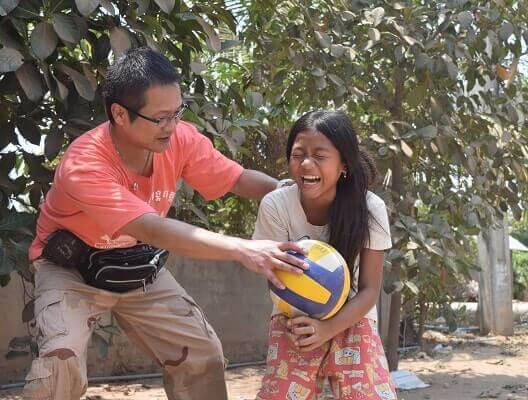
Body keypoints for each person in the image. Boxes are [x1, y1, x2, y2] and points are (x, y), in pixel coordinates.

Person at [22, 47, 307, 400]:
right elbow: (151, 228)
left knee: (202, 355)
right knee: (58, 367)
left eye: (177, 113)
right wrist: (242, 248)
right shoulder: (85, 163)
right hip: (72, 272)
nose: (172, 126)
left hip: (139, 265)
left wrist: (292, 193)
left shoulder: (180, 138)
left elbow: (236, 178)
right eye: (161, 118)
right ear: (120, 114)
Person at [253, 110, 397, 400]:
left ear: (344, 163)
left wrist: (329, 327)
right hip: (295, 320)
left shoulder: (369, 208)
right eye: (298, 154)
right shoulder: (277, 205)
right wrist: (312, 328)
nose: (306, 164)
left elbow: (369, 290)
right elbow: (273, 274)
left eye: (319, 155)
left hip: (354, 317)